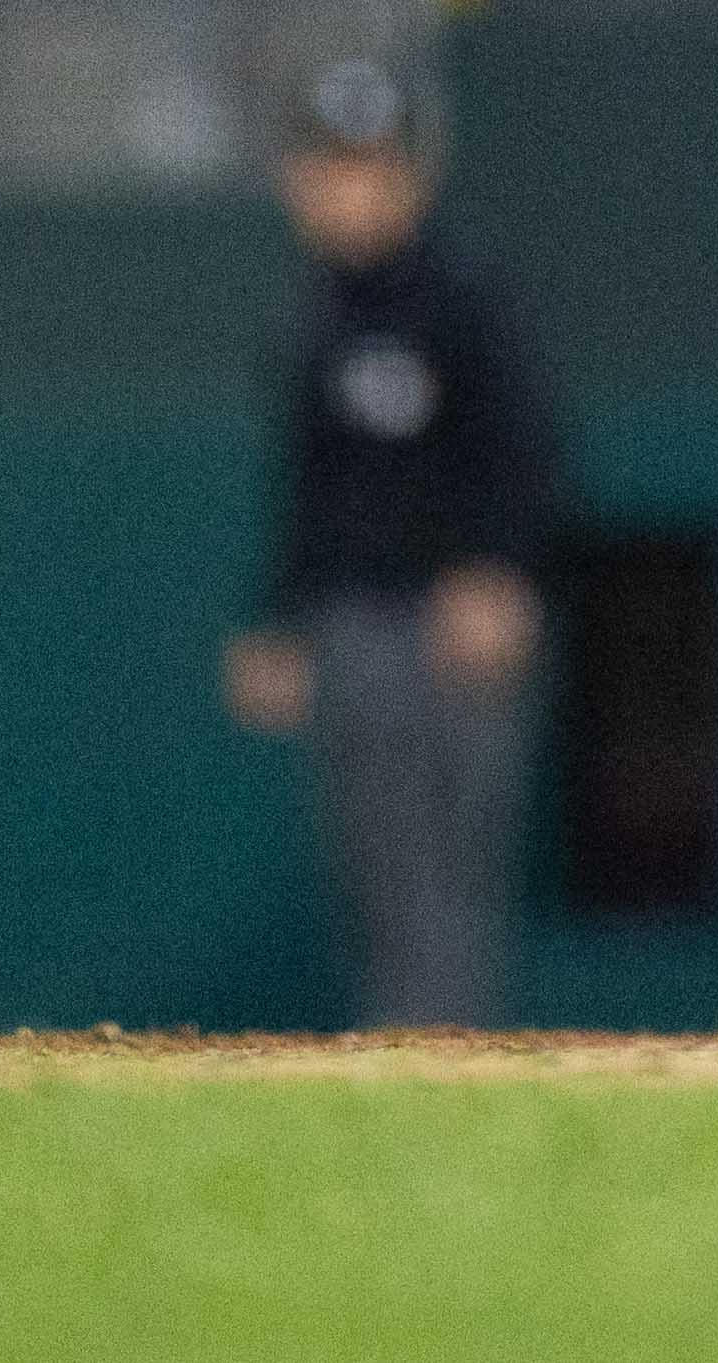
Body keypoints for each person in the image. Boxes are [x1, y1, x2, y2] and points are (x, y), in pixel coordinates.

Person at [223, 53, 564, 1028]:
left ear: (412, 175)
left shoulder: (466, 295)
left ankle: (442, 1062)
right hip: (355, 625)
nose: (348, 192)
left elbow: (526, 451)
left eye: (370, 167)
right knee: (382, 872)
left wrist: (501, 574)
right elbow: (307, 487)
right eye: (331, 168)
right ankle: (408, 1053)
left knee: (455, 874)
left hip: (451, 621)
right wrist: (278, 621)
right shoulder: (310, 315)